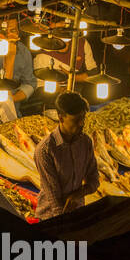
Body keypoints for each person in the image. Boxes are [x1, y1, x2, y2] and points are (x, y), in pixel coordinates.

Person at [34, 92, 99, 220]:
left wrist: (77, 195)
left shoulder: (85, 142)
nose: (81, 123)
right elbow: (54, 200)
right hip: (51, 217)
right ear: (61, 117)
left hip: (78, 214)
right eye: (76, 120)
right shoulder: (45, 150)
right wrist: (65, 224)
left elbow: (94, 180)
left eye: (83, 118)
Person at [0, 17, 35, 125]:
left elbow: (30, 84)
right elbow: (0, 89)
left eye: (13, 30)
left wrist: (12, 99)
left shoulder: (24, 51)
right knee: (3, 101)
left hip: (12, 107)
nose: (9, 35)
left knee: (6, 103)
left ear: (18, 33)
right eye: (4, 31)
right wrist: (10, 58)